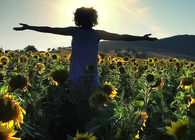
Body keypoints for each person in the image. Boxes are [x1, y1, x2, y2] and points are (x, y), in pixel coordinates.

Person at [14, 7, 157, 92]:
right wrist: (142, 37)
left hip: (75, 76)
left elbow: (50, 29)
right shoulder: (98, 34)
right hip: (91, 76)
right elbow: (123, 37)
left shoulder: (74, 31)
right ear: (94, 19)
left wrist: (29, 27)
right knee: (90, 108)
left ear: (77, 19)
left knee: (75, 106)